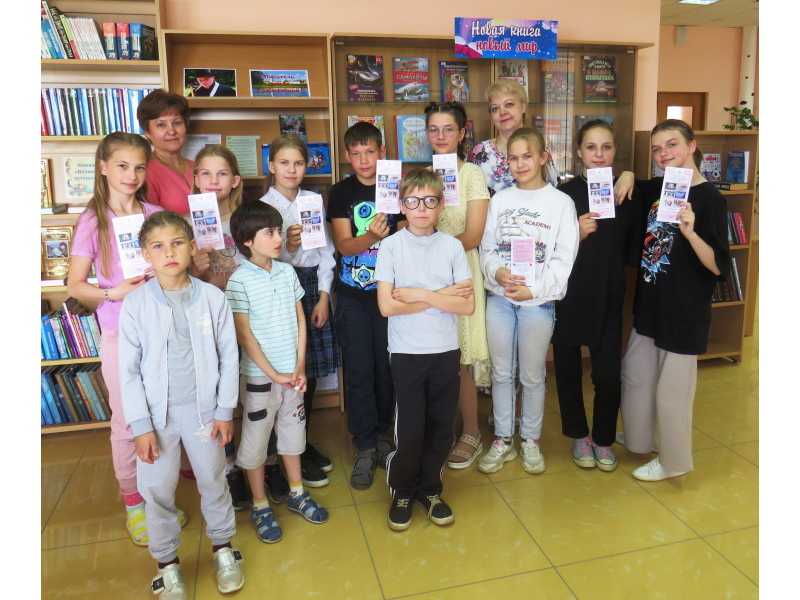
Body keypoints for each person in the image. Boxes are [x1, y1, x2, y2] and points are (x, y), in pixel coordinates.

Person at [67, 132, 186, 547]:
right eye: (122, 166)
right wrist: (112, 293)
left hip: (163, 329)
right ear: (103, 167)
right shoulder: (92, 221)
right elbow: (75, 285)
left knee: (164, 414)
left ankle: (159, 499)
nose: (131, 175)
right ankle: (134, 503)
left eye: (138, 167)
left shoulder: (154, 214)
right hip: (120, 333)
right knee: (128, 420)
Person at [118, 212, 244, 598]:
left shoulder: (212, 298)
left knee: (213, 478)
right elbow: (128, 372)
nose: (169, 253)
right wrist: (141, 425)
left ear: (191, 248)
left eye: (176, 244)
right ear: (145, 255)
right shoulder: (136, 305)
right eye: (158, 246)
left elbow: (229, 356)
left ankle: (223, 548)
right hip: (156, 418)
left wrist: (224, 410)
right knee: (156, 489)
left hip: (205, 413)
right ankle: (167, 565)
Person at [620, 119, 729, 481]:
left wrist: (691, 232)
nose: (663, 154)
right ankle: (640, 439)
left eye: (671, 145)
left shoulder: (710, 199)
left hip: (684, 310)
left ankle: (673, 461)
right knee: (637, 376)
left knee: (673, 391)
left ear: (692, 146)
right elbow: (632, 183)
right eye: (657, 148)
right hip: (650, 304)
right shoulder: (660, 187)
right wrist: (626, 174)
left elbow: (717, 265)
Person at [375, 168, 474, 531]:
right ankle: (402, 490)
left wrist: (418, 294)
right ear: (402, 205)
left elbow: (467, 305)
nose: (421, 209)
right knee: (411, 429)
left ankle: (430, 489)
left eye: (429, 201)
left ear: (440, 205)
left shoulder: (451, 247)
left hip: (445, 350)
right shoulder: (391, 246)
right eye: (413, 201)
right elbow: (387, 306)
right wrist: (442, 296)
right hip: (406, 352)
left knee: (441, 427)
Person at [225, 200, 329, 544]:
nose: (278, 238)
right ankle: (259, 504)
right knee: (256, 441)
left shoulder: (286, 272)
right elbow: (244, 335)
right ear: (247, 240)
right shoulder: (238, 281)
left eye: (278, 231)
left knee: (292, 434)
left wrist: (298, 366)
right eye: (269, 232)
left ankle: (297, 492)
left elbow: (300, 319)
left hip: (292, 375)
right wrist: (273, 373)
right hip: (260, 378)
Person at [478, 127, 579, 475]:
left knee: (533, 375)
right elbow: (487, 248)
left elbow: (563, 260)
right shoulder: (500, 200)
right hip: (501, 298)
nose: (520, 164)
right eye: (513, 158)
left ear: (542, 157)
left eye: (527, 156)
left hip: (538, 303)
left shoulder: (561, 204)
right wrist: (498, 272)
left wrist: (533, 291)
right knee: (501, 373)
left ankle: (531, 439)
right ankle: (503, 438)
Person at [553, 119, 643, 472]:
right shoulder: (564, 195)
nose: (599, 154)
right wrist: (575, 232)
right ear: (579, 152)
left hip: (609, 296)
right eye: (591, 147)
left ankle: (604, 438)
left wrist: (630, 174)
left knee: (607, 374)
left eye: (606, 147)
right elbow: (549, 248)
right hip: (569, 294)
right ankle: (578, 434)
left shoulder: (625, 191)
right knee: (568, 369)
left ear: (615, 150)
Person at [327, 121, 405, 490]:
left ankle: (386, 438)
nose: (363, 160)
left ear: (382, 152)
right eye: (356, 154)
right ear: (347, 156)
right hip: (354, 296)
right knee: (359, 370)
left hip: (391, 294)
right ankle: (364, 444)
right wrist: (371, 236)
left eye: (370, 152)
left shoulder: (396, 187)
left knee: (388, 369)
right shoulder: (341, 192)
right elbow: (344, 246)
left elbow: (410, 234)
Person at [260, 134, 339, 489]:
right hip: (281, 290)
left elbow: (326, 252)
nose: (291, 170)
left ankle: (301, 443)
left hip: (313, 286)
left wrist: (323, 296)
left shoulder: (312, 201)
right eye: (284, 163)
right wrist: (288, 248)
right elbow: (265, 262)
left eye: (298, 163)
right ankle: (285, 450)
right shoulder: (264, 207)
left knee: (312, 372)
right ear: (271, 166)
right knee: (288, 373)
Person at [422, 101, 491, 470]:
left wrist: (437, 251)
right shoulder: (422, 176)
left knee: (460, 358)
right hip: (426, 277)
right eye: (434, 129)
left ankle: (472, 432)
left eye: (448, 129)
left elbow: (474, 234)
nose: (441, 136)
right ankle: (440, 430)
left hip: (460, 270)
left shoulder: (472, 174)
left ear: (462, 133)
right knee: (435, 356)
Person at [188, 144, 253, 510]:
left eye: (222, 174)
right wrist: (196, 269)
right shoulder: (185, 224)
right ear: (196, 179)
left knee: (250, 389)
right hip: (208, 323)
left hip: (247, 315)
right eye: (206, 174)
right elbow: (180, 284)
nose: (214, 181)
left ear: (235, 180)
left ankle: (256, 462)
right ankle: (227, 468)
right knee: (217, 394)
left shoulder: (246, 219)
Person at [137, 89, 194, 214]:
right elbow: (151, 222)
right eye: (161, 125)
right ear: (147, 133)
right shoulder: (145, 173)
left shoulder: (199, 166)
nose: (172, 131)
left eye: (177, 123)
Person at [467, 80, 527, 196]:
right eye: (495, 108)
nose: (502, 112)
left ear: (523, 107)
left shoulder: (539, 148)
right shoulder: (479, 152)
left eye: (509, 104)